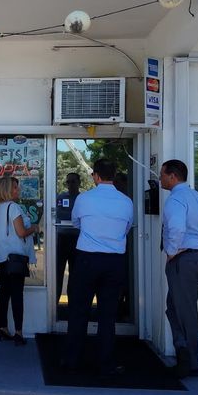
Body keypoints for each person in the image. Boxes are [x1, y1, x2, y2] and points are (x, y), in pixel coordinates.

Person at [64, 159, 133, 376]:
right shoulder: (126, 201)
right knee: (107, 315)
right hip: (114, 262)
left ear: (96, 176)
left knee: (78, 311)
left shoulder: (84, 199)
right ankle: (105, 363)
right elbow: (127, 227)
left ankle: (72, 360)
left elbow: (76, 223)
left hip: (87, 259)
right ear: (113, 175)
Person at [160, 159, 198, 379]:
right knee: (175, 307)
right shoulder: (196, 196)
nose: (160, 178)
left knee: (183, 312)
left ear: (173, 176)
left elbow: (177, 227)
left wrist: (171, 251)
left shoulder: (176, 199)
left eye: (162, 174)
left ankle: (189, 363)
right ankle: (185, 354)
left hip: (184, 259)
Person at [0, 176, 39, 346]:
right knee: (17, 294)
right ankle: (18, 332)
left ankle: (1, 327)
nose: (18, 190)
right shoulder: (14, 207)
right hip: (15, 256)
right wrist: (34, 227)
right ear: (8, 190)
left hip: (1, 255)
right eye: (15, 188)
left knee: (4, 291)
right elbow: (21, 232)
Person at [55, 172, 81, 303]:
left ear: (79, 183)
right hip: (62, 239)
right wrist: (73, 215)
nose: (70, 184)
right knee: (58, 272)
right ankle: (55, 303)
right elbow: (58, 214)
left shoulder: (82, 198)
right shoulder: (61, 197)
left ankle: (73, 304)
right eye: (68, 182)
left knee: (75, 274)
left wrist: (71, 215)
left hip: (77, 240)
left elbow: (81, 216)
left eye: (73, 181)